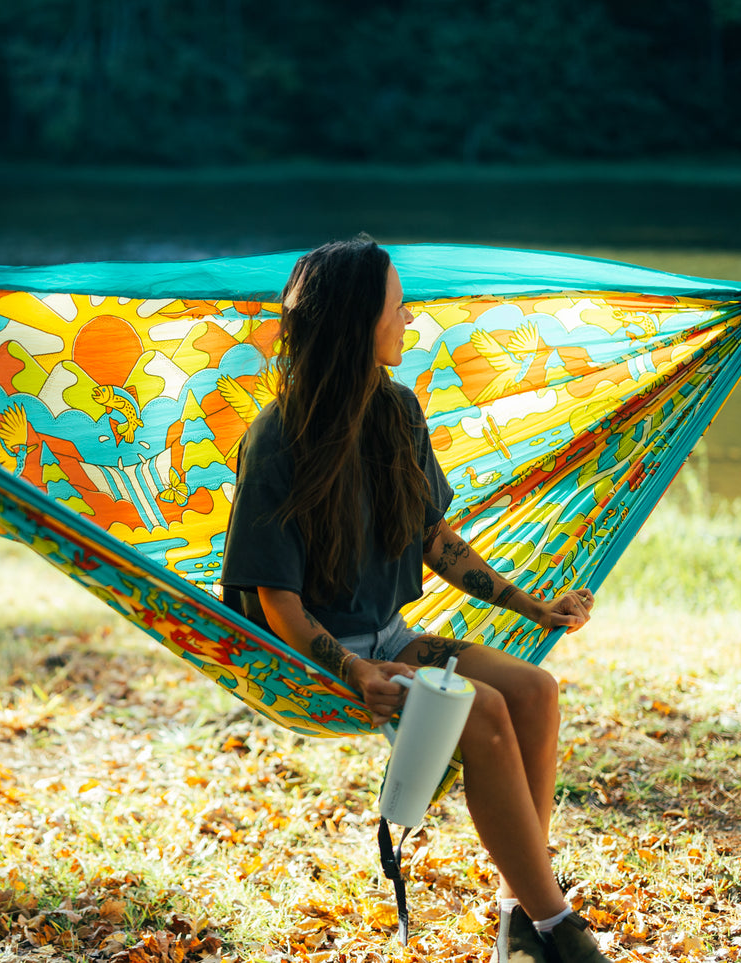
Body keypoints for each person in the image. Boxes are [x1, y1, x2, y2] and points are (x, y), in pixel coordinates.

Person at [220, 236, 610, 963]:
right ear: (353, 321)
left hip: (389, 637)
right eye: (398, 309)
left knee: (533, 689)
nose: (410, 321)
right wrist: (353, 672)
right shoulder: (276, 440)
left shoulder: (395, 411)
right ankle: (558, 929)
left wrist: (533, 607)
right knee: (483, 710)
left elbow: (432, 536)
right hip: (307, 654)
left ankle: (519, 915)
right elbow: (275, 598)